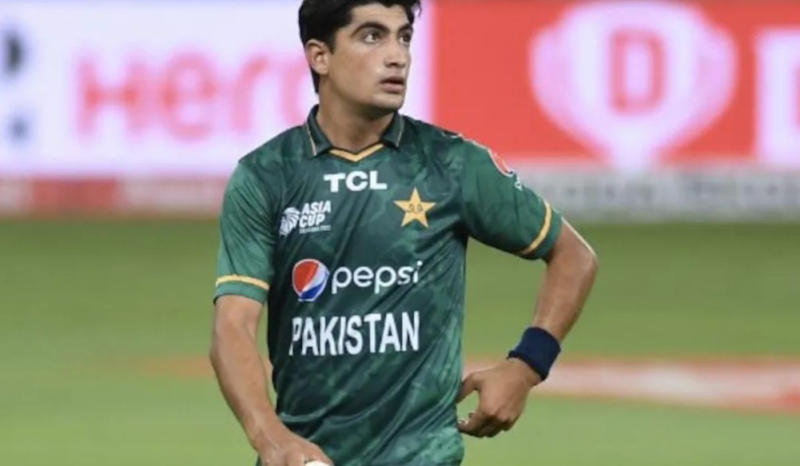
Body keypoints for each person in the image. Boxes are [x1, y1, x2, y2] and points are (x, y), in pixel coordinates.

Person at [209, 1, 598, 465]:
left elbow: (573, 255)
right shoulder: (267, 175)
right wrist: (270, 437)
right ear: (320, 56)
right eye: (372, 36)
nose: (397, 56)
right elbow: (232, 326)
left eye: (404, 37)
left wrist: (527, 365)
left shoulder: (452, 164)